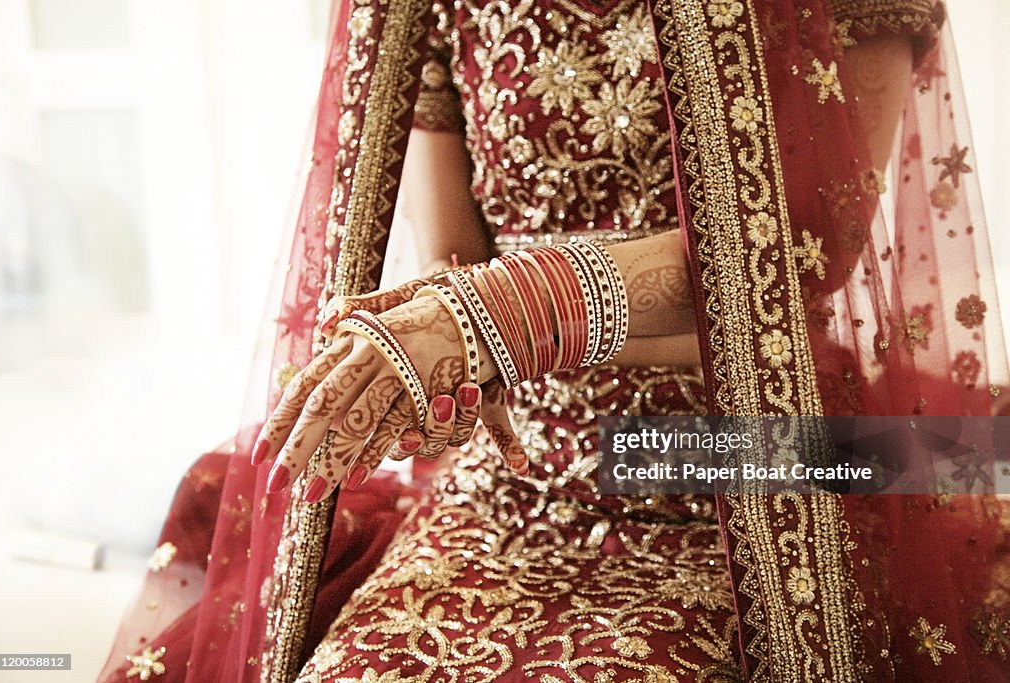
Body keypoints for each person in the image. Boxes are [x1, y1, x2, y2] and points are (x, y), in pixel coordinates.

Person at [100, 0, 1010, 680]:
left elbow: (802, 253)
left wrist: (502, 316)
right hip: (524, 460)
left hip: (753, 447)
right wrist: (460, 350)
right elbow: (454, 254)